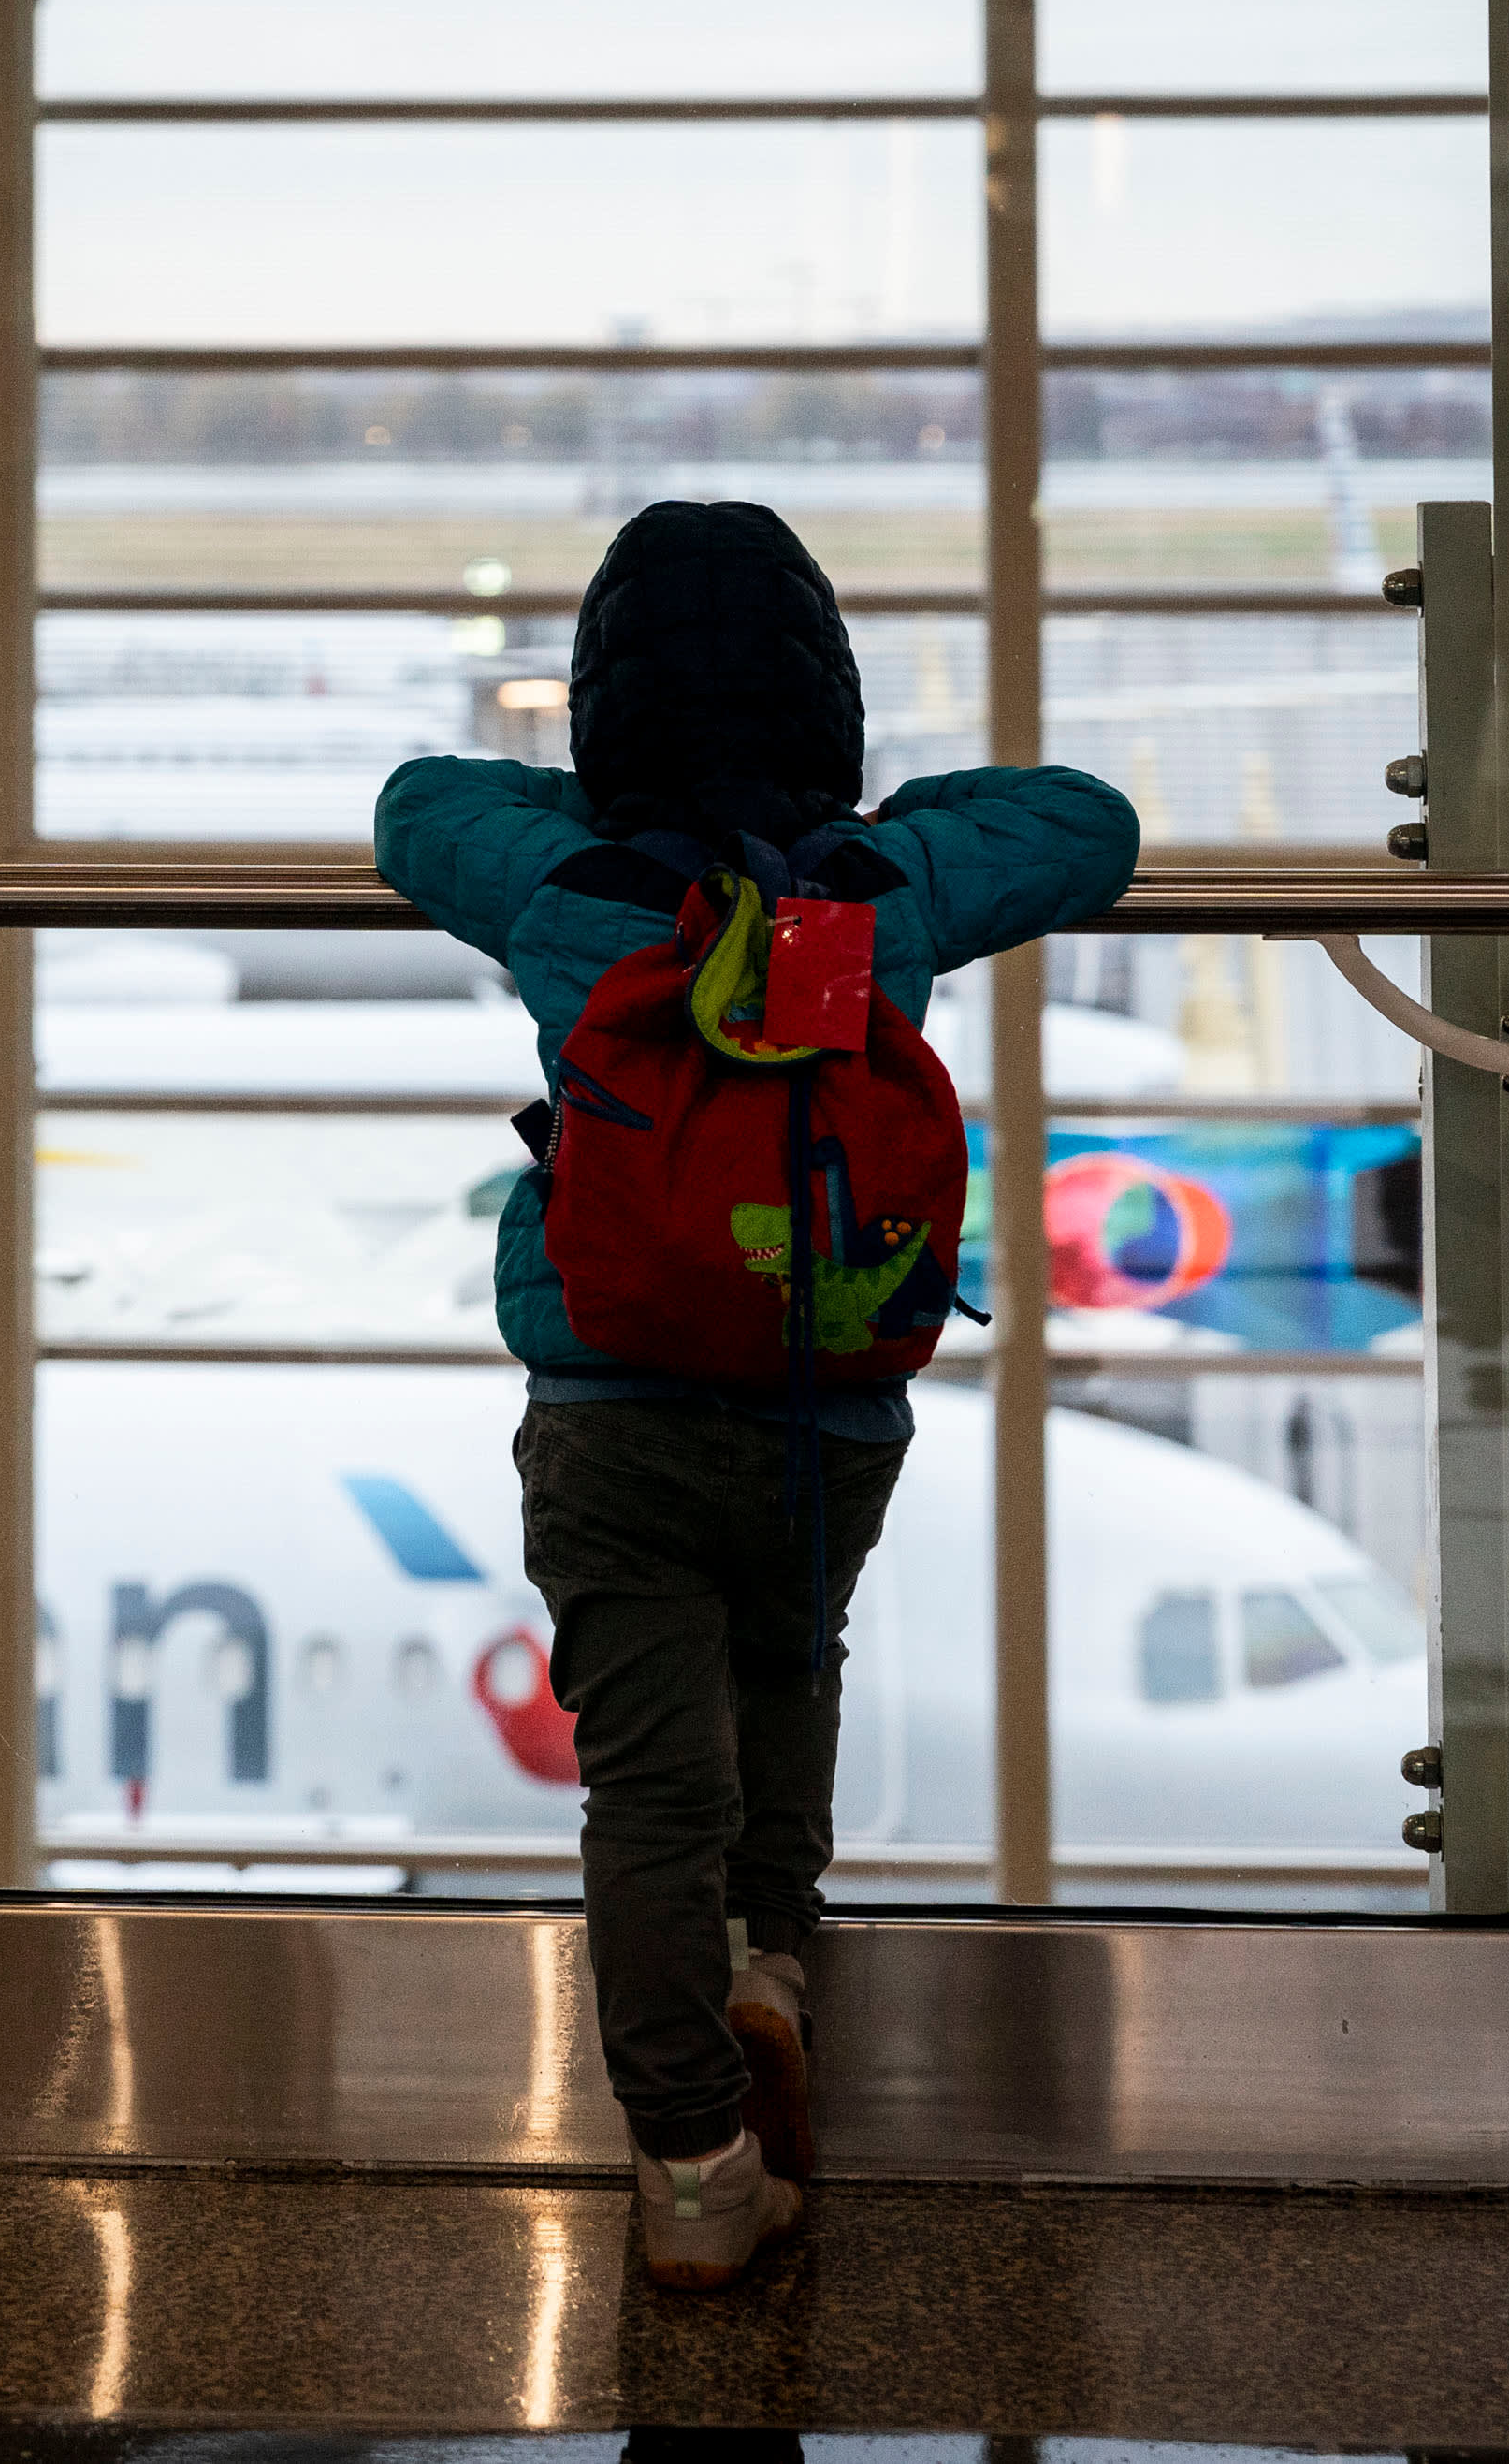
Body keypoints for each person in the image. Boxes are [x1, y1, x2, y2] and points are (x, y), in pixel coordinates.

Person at [373, 500, 1139, 2288]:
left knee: (646, 1785)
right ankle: (767, 1958)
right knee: (791, 1665)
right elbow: (1085, 830)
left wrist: (592, 815)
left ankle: (697, 2161)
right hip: (826, 1396)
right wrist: (869, 831)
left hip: (611, 1404)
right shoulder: (882, 904)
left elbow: (420, 807)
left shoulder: (571, 896)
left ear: (596, 713)